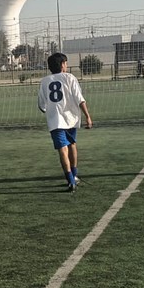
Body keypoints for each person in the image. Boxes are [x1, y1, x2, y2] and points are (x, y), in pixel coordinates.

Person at [37, 53, 93, 192]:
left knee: (62, 149)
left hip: (55, 120)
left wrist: (49, 109)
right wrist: (88, 116)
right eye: (66, 63)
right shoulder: (70, 77)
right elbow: (80, 99)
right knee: (72, 145)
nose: (66, 66)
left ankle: (70, 180)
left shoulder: (45, 81)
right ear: (62, 65)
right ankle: (74, 175)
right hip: (70, 119)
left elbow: (41, 105)